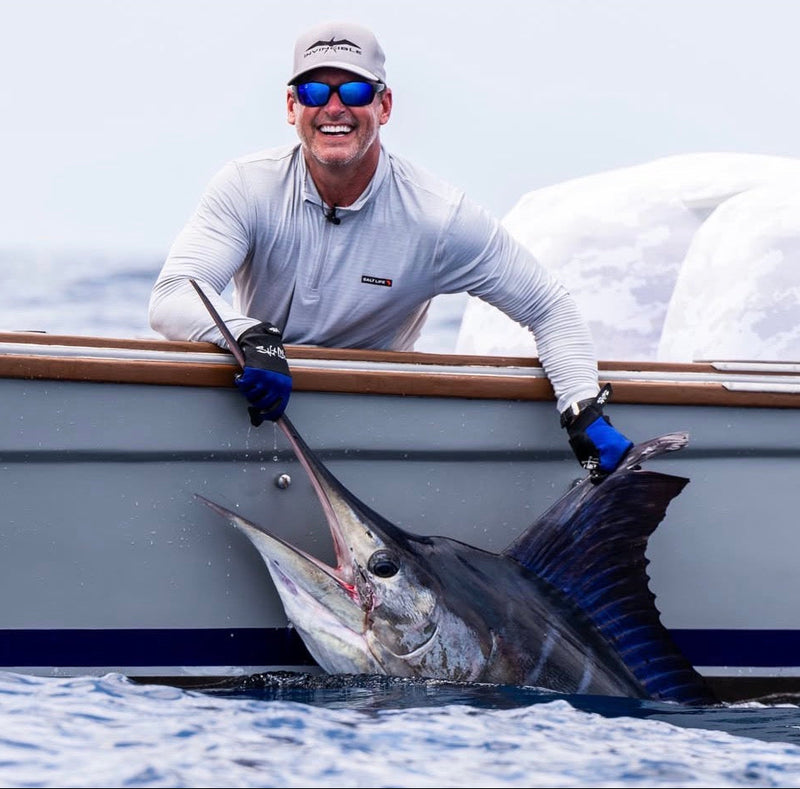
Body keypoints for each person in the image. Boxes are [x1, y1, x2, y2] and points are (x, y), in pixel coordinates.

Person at [149, 20, 633, 476]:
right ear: (292, 107)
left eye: (355, 91)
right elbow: (172, 295)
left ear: (384, 106)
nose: (334, 108)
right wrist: (251, 338)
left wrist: (581, 408)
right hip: (256, 404)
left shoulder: (439, 217)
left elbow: (550, 307)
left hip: (371, 426)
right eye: (316, 91)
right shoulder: (245, 186)